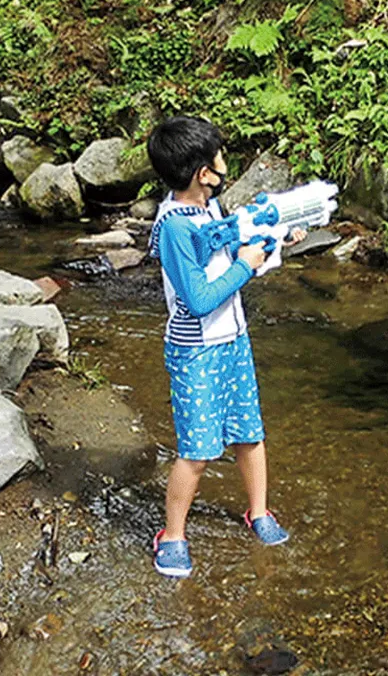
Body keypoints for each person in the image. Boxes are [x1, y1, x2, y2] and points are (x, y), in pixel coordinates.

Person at [145, 116, 302, 578]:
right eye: (218, 155)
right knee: (196, 451)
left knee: (249, 433)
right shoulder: (174, 226)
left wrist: (273, 245)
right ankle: (172, 535)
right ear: (202, 173)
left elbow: (235, 258)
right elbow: (198, 299)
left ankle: (258, 511)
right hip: (196, 349)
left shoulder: (208, 209)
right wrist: (247, 267)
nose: (224, 161)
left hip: (232, 340)